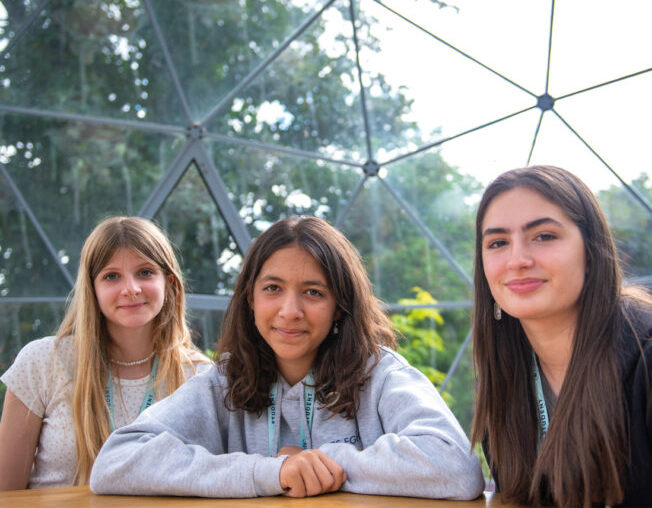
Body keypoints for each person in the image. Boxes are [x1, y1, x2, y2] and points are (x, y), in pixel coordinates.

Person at [90, 216, 484, 499]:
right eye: (273, 288)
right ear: (250, 298)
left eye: (313, 292)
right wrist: (271, 471)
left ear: (339, 307)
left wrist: (320, 462)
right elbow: (115, 462)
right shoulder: (222, 382)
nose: (290, 311)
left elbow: (456, 467)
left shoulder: (381, 375)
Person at [471, 165, 652, 507]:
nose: (517, 260)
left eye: (544, 236)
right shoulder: (503, 373)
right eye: (497, 242)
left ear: (591, 251)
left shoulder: (646, 356)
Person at [0, 216, 211, 490]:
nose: (131, 289)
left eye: (145, 272)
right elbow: (5, 492)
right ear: (92, 289)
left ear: (168, 283)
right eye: (111, 276)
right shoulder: (42, 361)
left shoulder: (200, 377)